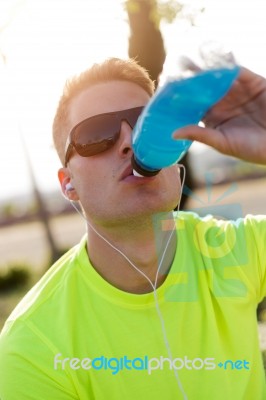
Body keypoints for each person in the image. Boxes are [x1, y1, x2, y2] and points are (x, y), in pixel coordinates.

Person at [0, 58, 266, 400]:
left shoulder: (236, 249)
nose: (130, 142)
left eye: (145, 122)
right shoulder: (33, 347)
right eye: (97, 134)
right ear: (69, 185)